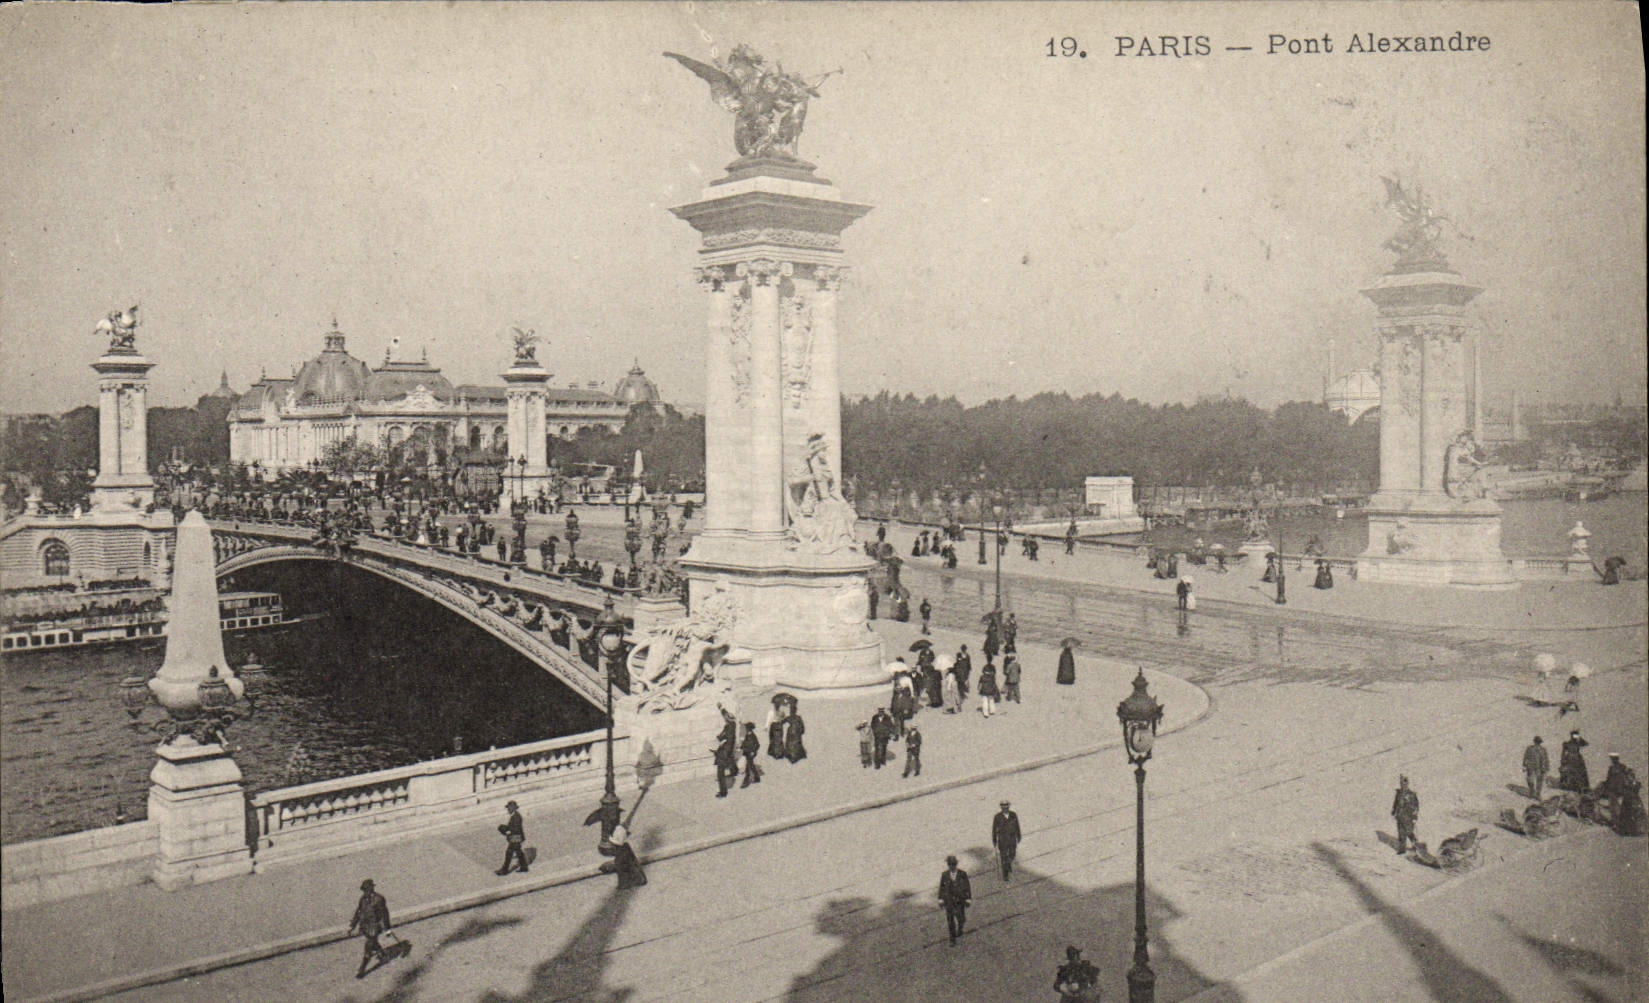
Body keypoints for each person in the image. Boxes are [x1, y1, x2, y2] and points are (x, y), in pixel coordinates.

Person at [347, 878, 393, 979]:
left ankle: (362, 969)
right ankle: (383, 955)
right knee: (373, 943)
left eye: (367, 889)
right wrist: (352, 925)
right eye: (364, 890)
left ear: (372, 889)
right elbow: (358, 912)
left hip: (374, 927)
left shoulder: (379, 899)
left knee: (368, 948)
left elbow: (385, 914)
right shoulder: (363, 899)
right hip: (365, 927)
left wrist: (388, 929)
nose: (365, 892)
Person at [598, 823, 648, 888]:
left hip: (633, 874)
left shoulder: (620, 853)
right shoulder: (624, 847)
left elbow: (622, 875)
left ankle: (636, 880)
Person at [938, 855, 973, 945]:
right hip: (949, 901)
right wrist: (940, 899)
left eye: (953, 864)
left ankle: (960, 928)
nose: (951, 866)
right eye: (949, 864)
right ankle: (952, 939)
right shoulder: (945, 875)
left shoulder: (962, 874)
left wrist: (968, 898)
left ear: (956, 864)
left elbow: (967, 886)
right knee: (950, 921)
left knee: (961, 918)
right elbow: (942, 887)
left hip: (960, 900)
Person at [992, 800, 1022, 880]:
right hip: (1002, 840)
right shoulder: (997, 817)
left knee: (1012, 854)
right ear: (1001, 807)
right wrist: (994, 840)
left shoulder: (1013, 815)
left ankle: (1008, 864)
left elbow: (1017, 825)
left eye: (1006, 805)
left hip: (1012, 839)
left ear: (1008, 806)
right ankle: (1005, 875)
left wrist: (1018, 835)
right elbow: (994, 829)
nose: (1005, 807)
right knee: (1003, 857)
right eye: (1003, 806)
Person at [496, 800, 528, 875]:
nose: (508, 810)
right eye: (508, 808)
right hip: (516, 837)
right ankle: (524, 867)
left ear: (513, 808)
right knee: (518, 852)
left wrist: (507, 831)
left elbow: (515, 829)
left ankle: (504, 870)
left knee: (509, 853)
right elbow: (512, 827)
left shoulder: (517, 817)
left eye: (509, 808)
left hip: (516, 837)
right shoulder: (514, 815)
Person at [1392, 775, 1419, 854]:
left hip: (1408, 817)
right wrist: (1394, 810)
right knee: (1401, 833)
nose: (1403, 785)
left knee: (1409, 831)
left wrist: (1414, 816)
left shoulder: (1412, 794)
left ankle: (1415, 844)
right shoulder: (1398, 793)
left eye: (1404, 784)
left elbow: (1416, 806)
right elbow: (1396, 803)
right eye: (1401, 784)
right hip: (1400, 816)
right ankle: (1402, 849)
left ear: (1407, 784)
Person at [1523, 736, 1550, 800]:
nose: (1537, 744)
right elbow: (1526, 757)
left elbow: (1546, 759)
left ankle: (1538, 794)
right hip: (1531, 767)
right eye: (1537, 742)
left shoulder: (1543, 750)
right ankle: (1532, 792)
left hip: (1539, 767)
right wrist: (1524, 765)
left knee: (1539, 780)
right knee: (1530, 780)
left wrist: (1547, 767)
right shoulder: (1530, 749)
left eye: (1538, 742)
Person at [740, 722, 763, 788]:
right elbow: (745, 743)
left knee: (748, 768)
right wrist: (741, 747)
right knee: (751, 766)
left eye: (746, 728)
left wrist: (753, 751)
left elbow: (757, 745)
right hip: (747, 753)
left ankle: (745, 782)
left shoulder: (752, 736)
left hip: (750, 753)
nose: (745, 729)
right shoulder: (748, 735)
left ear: (749, 728)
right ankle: (757, 778)